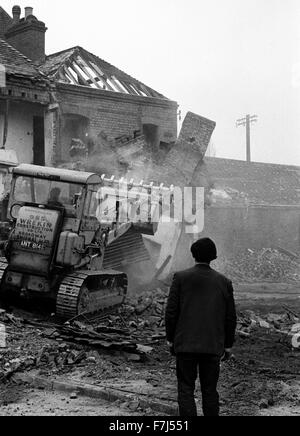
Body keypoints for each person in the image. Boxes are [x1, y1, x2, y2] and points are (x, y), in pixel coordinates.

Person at [165, 237, 237, 417]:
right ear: (213, 256)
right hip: (212, 346)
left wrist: (170, 339)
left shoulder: (180, 278)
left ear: (193, 254)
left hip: (185, 344)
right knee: (210, 390)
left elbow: (171, 312)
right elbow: (230, 318)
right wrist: (228, 345)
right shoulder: (224, 282)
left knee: (185, 389)